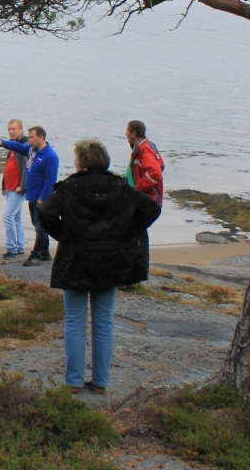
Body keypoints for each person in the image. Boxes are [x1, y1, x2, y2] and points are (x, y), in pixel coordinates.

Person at [39, 138, 160, 394]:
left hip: (75, 258)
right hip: (110, 260)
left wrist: (65, 235)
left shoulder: (68, 188)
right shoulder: (121, 187)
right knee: (103, 321)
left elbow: (46, 213)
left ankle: (73, 381)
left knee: (74, 320)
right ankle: (101, 382)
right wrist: (126, 232)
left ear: (81, 162)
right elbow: (151, 209)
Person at [9, 125, 58, 267]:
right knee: (38, 225)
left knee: (40, 227)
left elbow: (50, 180)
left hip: (42, 199)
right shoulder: (32, 151)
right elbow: (18, 147)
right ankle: (45, 253)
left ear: (41, 137)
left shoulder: (50, 156)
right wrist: (3, 143)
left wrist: (43, 198)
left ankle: (36, 254)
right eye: (29, 137)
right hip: (32, 196)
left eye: (32, 137)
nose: (29, 140)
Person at [0, 119, 28, 260]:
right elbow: (8, 165)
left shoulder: (24, 145)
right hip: (10, 188)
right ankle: (19, 247)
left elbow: (26, 167)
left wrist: (22, 186)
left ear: (21, 129)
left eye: (13, 129)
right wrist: (4, 185)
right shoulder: (13, 146)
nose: (11, 132)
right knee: (16, 217)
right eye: (9, 129)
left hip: (18, 189)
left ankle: (12, 248)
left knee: (7, 215)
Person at [125, 120, 166, 205]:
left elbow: (155, 173)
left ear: (133, 134)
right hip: (141, 198)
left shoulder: (144, 150)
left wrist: (138, 188)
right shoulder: (144, 147)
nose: (126, 134)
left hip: (146, 200)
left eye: (127, 131)